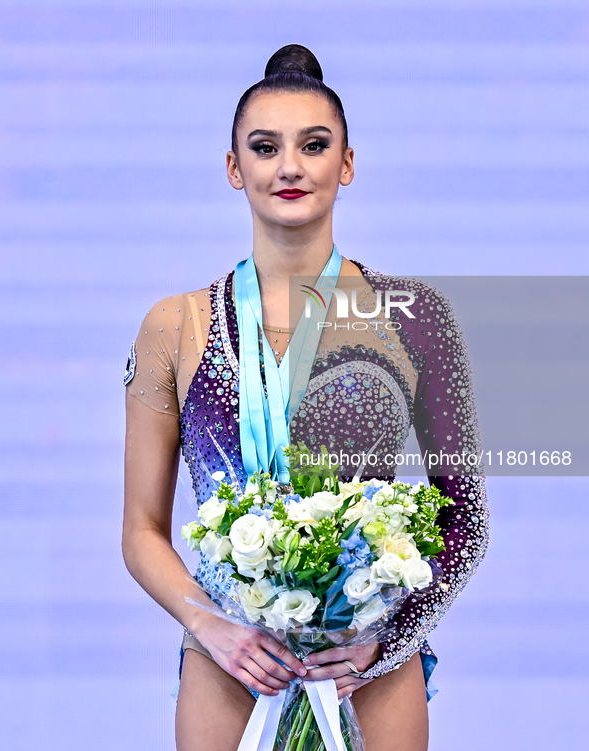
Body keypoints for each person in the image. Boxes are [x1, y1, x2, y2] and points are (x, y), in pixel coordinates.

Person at [122, 44, 489, 751]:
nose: (289, 166)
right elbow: (140, 529)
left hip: (367, 662)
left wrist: (383, 640)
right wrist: (212, 625)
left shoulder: (415, 316)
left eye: (313, 145)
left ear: (346, 163)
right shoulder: (173, 324)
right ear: (235, 168)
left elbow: (463, 519)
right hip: (234, 660)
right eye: (264, 147)